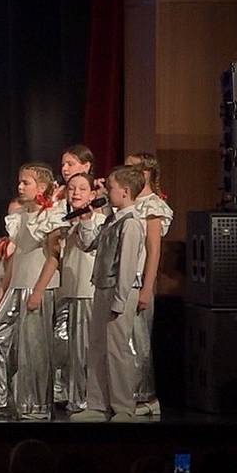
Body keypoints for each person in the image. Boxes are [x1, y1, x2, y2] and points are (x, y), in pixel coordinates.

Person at [0, 163, 67, 420]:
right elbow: (16, 255)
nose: (20, 186)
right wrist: (3, 288)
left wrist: (38, 291)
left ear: (42, 187)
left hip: (37, 287)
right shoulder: (21, 216)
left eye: (26, 182)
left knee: (34, 348)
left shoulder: (51, 216)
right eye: (20, 181)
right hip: (16, 286)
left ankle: (36, 405)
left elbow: (53, 258)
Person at [71, 166, 153, 422]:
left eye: (111, 188)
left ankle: (123, 407)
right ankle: (97, 404)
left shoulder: (131, 224)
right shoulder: (111, 220)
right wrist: (86, 220)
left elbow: (127, 268)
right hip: (102, 288)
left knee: (117, 350)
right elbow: (88, 244)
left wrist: (119, 300)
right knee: (97, 347)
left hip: (120, 292)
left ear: (125, 192)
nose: (107, 192)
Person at [123, 150, 169, 416]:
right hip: (123, 280)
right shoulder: (128, 202)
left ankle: (145, 397)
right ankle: (125, 394)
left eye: (132, 168)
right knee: (124, 341)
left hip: (139, 279)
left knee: (138, 340)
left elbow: (153, 250)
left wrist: (147, 287)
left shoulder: (152, 206)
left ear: (146, 172)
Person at [54, 170, 103, 412]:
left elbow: (87, 244)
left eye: (82, 189)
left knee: (83, 348)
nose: (76, 193)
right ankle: (64, 392)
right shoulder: (64, 221)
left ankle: (84, 399)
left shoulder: (98, 221)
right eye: (72, 188)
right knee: (63, 345)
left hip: (85, 291)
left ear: (93, 194)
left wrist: (85, 220)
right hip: (66, 291)